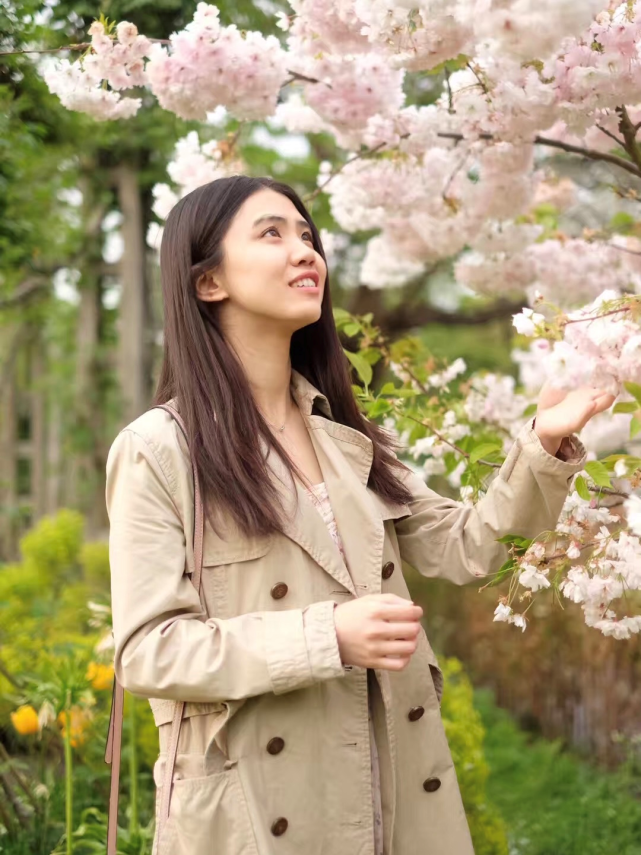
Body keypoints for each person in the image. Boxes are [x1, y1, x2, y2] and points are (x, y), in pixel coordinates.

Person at [106, 175, 612, 855]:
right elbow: (148, 651)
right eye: (271, 233)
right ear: (208, 283)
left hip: (395, 787)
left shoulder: (344, 434)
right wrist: (327, 636)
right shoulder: (159, 449)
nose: (304, 251)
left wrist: (543, 441)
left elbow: (468, 545)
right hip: (261, 809)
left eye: (307, 235)